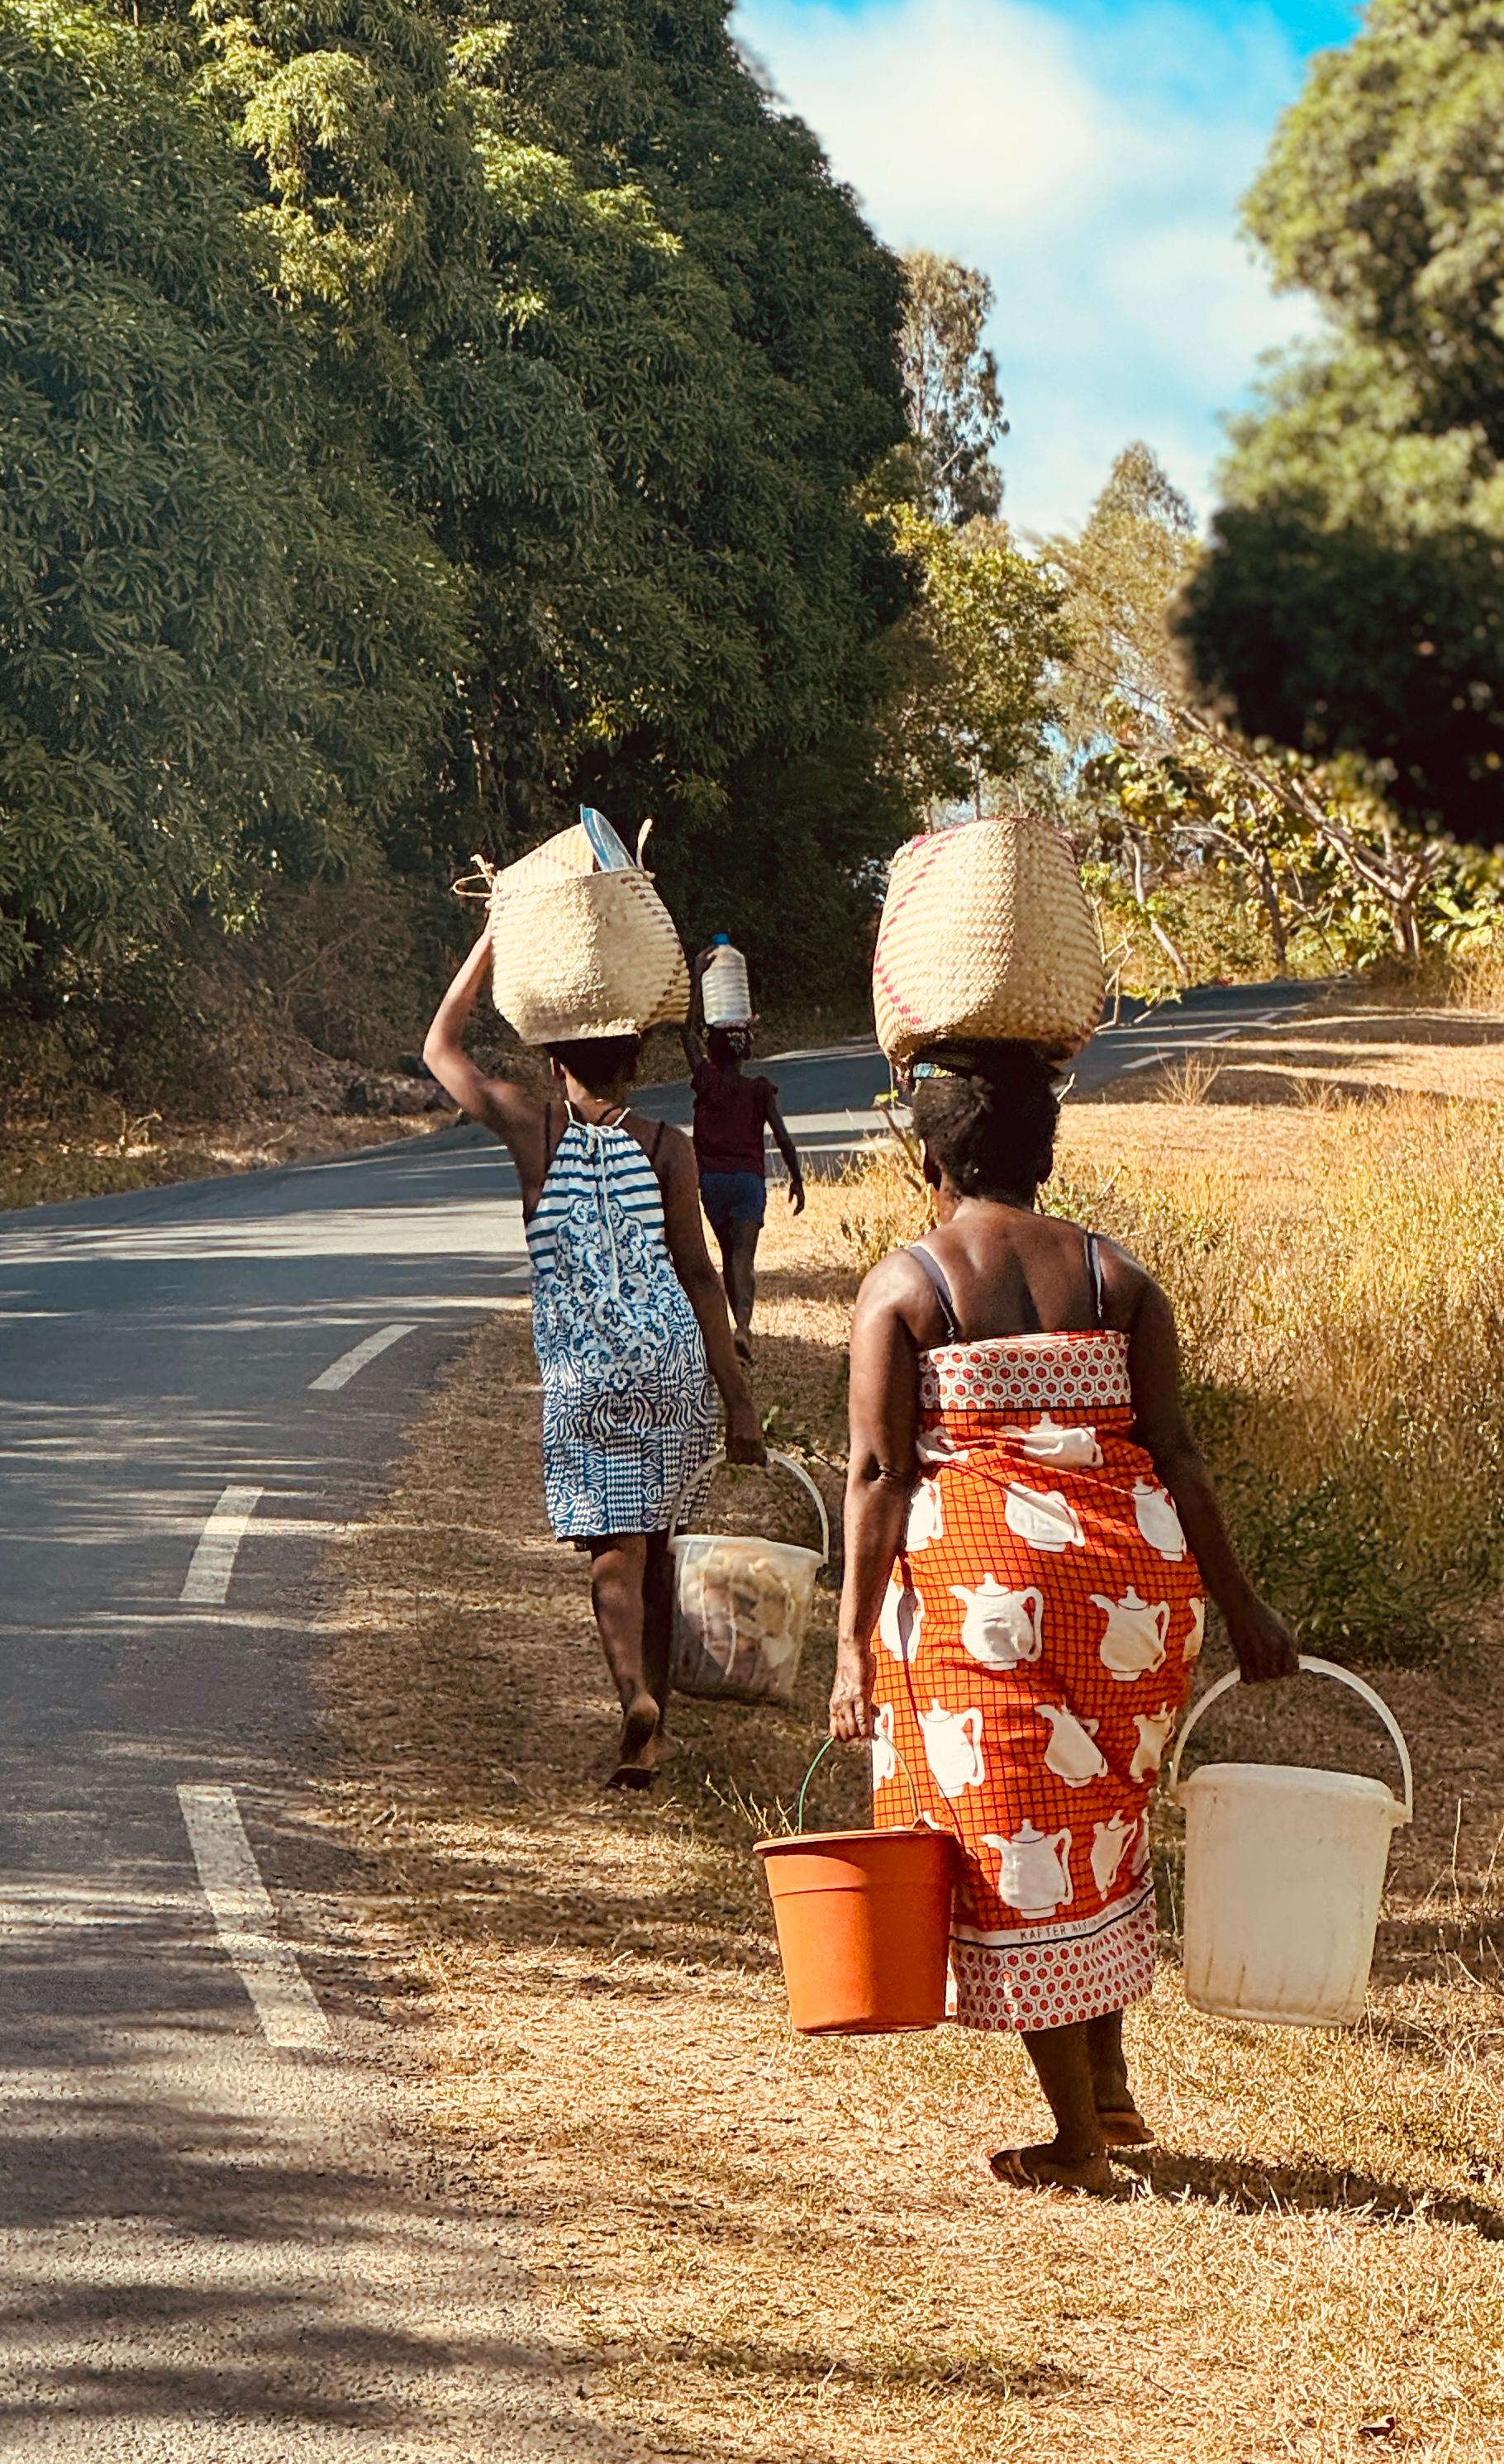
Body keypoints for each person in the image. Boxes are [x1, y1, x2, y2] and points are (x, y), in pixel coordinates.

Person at [829, 1040, 1297, 2194]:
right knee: (1097, 1827)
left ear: (924, 1149)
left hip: (990, 1598)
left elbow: (881, 1474)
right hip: (1134, 1599)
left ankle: (1079, 2141)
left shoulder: (908, 1285)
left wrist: (849, 1646)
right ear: (1045, 1151)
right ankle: (1113, 2083)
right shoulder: (1119, 1276)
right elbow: (1178, 1456)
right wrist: (1242, 1608)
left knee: (1020, 1855)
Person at [425, 930, 764, 1790]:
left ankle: (633, 1698)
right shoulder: (664, 1146)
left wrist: (495, 943)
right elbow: (698, 1274)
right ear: (635, 1064)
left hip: (587, 1378)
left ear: (553, 1066)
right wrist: (737, 1400)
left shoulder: (532, 1133)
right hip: (672, 1366)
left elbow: (439, 1048)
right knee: (659, 1543)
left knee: (612, 1553)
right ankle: (657, 1723)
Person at [681, 961, 805, 1364]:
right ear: (746, 1049)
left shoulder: (706, 1080)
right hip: (749, 1182)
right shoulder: (759, 1090)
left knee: (727, 1252)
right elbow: (783, 1138)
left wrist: (696, 980)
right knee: (742, 1258)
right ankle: (743, 1329)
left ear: (712, 1049)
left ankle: (734, 1328)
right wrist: (798, 1179)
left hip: (713, 1182)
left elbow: (685, 1033)